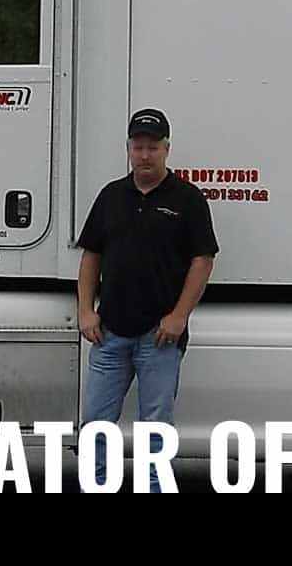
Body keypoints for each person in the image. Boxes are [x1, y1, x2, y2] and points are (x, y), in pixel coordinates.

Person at [76, 108, 218, 491]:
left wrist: (179, 317)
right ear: (128, 149)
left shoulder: (187, 199)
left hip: (160, 336)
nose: (144, 155)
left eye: (152, 147)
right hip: (110, 333)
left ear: (166, 150)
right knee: (94, 423)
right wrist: (86, 311)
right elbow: (91, 255)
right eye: (138, 147)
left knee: (156, 427)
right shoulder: (111, 196)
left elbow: (202, 260)